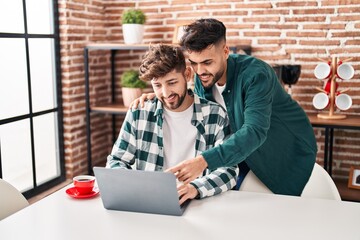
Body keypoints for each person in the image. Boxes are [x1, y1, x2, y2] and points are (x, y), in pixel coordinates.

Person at [132, 18, 317, 196]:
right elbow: (199, 105)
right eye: (194, 63)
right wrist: (162, 96)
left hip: (287, 146)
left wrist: (204, 161)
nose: (200, 71)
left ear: (226, 51)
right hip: (243, 149)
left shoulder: (256, 75)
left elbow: (255, 131)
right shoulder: (202, 77)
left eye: (207, 62)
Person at [107, 44, 238, 205]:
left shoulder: (215, 115)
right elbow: (116, 161)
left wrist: (194, 188)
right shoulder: (139, 113)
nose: (166, 93)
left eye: (172, 82)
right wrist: (136, 186)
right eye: (157, 86)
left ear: (188, 74)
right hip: (149, 203)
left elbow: (229, 171)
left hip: (197, 202)